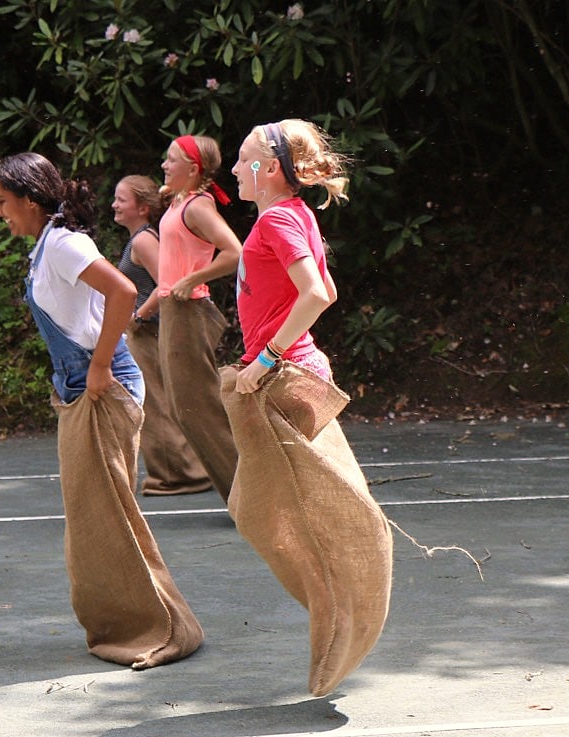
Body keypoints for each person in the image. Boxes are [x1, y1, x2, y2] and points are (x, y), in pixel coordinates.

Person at [0, 153, 202, 669]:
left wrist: (102, 364)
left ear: (30, 198)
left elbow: (124, 291)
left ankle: (164, 628)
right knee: (93, 517)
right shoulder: (48, 245)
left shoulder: (63, 243)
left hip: (101, 387)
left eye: (1, 202)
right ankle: (125, 621)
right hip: (79, 387)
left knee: (109, 514)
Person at [220, 120, 393, 696]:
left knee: (282, 515)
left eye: (243, 161)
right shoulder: (294, 215)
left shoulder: (276, 217)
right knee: (266, 510)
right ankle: (336, 613)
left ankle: (338, 619)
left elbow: (317, 295)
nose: (236, 170)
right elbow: (328, 290)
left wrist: (263, 362)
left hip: (285, 379)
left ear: (268, 170)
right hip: (290, 373)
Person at [154, 134, 243, 501]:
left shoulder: (197, 207)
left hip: (187, 309)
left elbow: (235, 251)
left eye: (171, 160)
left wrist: (192, 277)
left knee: (197, 409)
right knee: (186, 408)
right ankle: (243, 493)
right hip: (173, 309)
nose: (164, 164)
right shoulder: (183, 201)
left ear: (192, 169)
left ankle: (249, 493)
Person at [111, 174, 212, 496]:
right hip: (145, 331)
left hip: (149, 332)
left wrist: (139, 318)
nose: (114, 204)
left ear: (141, 207)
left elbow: (166, 281)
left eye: (121, 199)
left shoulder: (143, 240)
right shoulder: (138, 239)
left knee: (155, 403)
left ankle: (180, 475)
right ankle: (179, 471)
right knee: (155, 401)